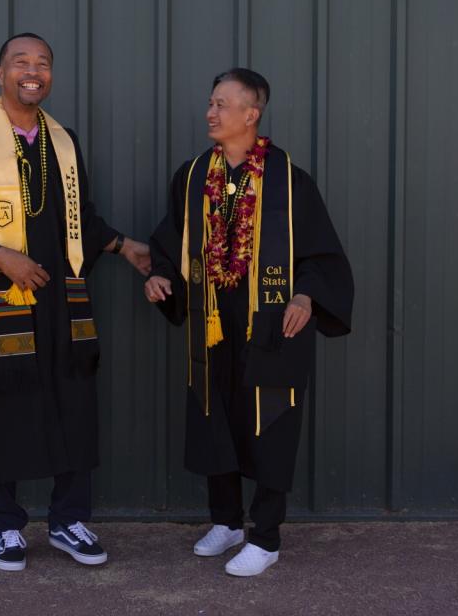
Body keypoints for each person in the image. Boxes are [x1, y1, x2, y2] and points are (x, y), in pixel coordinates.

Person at [0, 33, 150, 572]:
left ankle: (69, 519)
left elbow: (80, 221)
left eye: (42, 63)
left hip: (62, 299)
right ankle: (5, 527)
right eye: (20, 62)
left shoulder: (63, 144)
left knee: (73, 402)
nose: (33, 71)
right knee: (0, 404)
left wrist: (122, 246)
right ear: (0, 72)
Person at [145, 68, 353, 577]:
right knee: (216, 413)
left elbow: (322, 254)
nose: (210, 112)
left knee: (271, 422)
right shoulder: (193, 176)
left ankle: (265, 534)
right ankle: (227, 521)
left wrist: (305, 295)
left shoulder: (288, 180)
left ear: (251, 114)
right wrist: (160, 276)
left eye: (222, 104)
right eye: (211, 103)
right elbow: (171, 240)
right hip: (212, 318)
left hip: (272, 320)